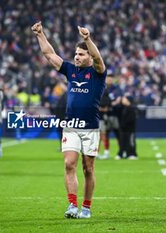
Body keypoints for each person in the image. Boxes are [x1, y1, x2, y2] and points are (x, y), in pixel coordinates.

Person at [32, 21, 107, 218]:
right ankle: (72, 205)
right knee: (69, 164)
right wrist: (40, 35)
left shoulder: (98, 74)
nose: (76, 57)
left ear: (89, 56)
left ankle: (87, 208)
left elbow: (99, 58)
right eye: (76, 54)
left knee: (88, 169)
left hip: (90, 127)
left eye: (81, 54)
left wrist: (88, 39)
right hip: (71, 126)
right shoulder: (70, 71)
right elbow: (50, 55)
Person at [115, 95, 138, 160]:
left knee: (130, 141)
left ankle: (132, 153)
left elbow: (131, 120)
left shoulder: (132, 108)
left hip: (130, 129)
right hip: (123, 129)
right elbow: (117, 110)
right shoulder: (123, 108)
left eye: (124, 99)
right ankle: (122, 153)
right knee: (122, 141)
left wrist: (123, 125)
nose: (123, 100)